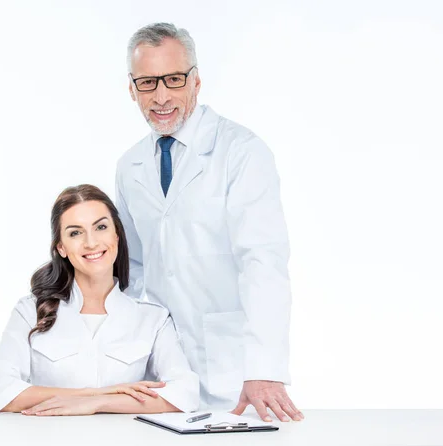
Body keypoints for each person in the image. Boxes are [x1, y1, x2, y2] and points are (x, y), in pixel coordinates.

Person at [115, 23, 304, 422]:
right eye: (148, 83)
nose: (161, 96)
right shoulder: (129, 166)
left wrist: (264, 369)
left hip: (234, 373)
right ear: (131, 89)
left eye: (173, 79)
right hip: (159, 376)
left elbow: (263, 262)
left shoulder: (241, 151)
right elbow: (130, 270)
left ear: (196, 81)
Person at [0, 184, 199, 415]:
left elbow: (185, 393)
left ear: (116, 234)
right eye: (75, 232)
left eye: (101, 227)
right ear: (61, 247)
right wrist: (94, 393)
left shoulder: (153, 318)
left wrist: (98, 403)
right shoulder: (30, 312)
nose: (91, 242)